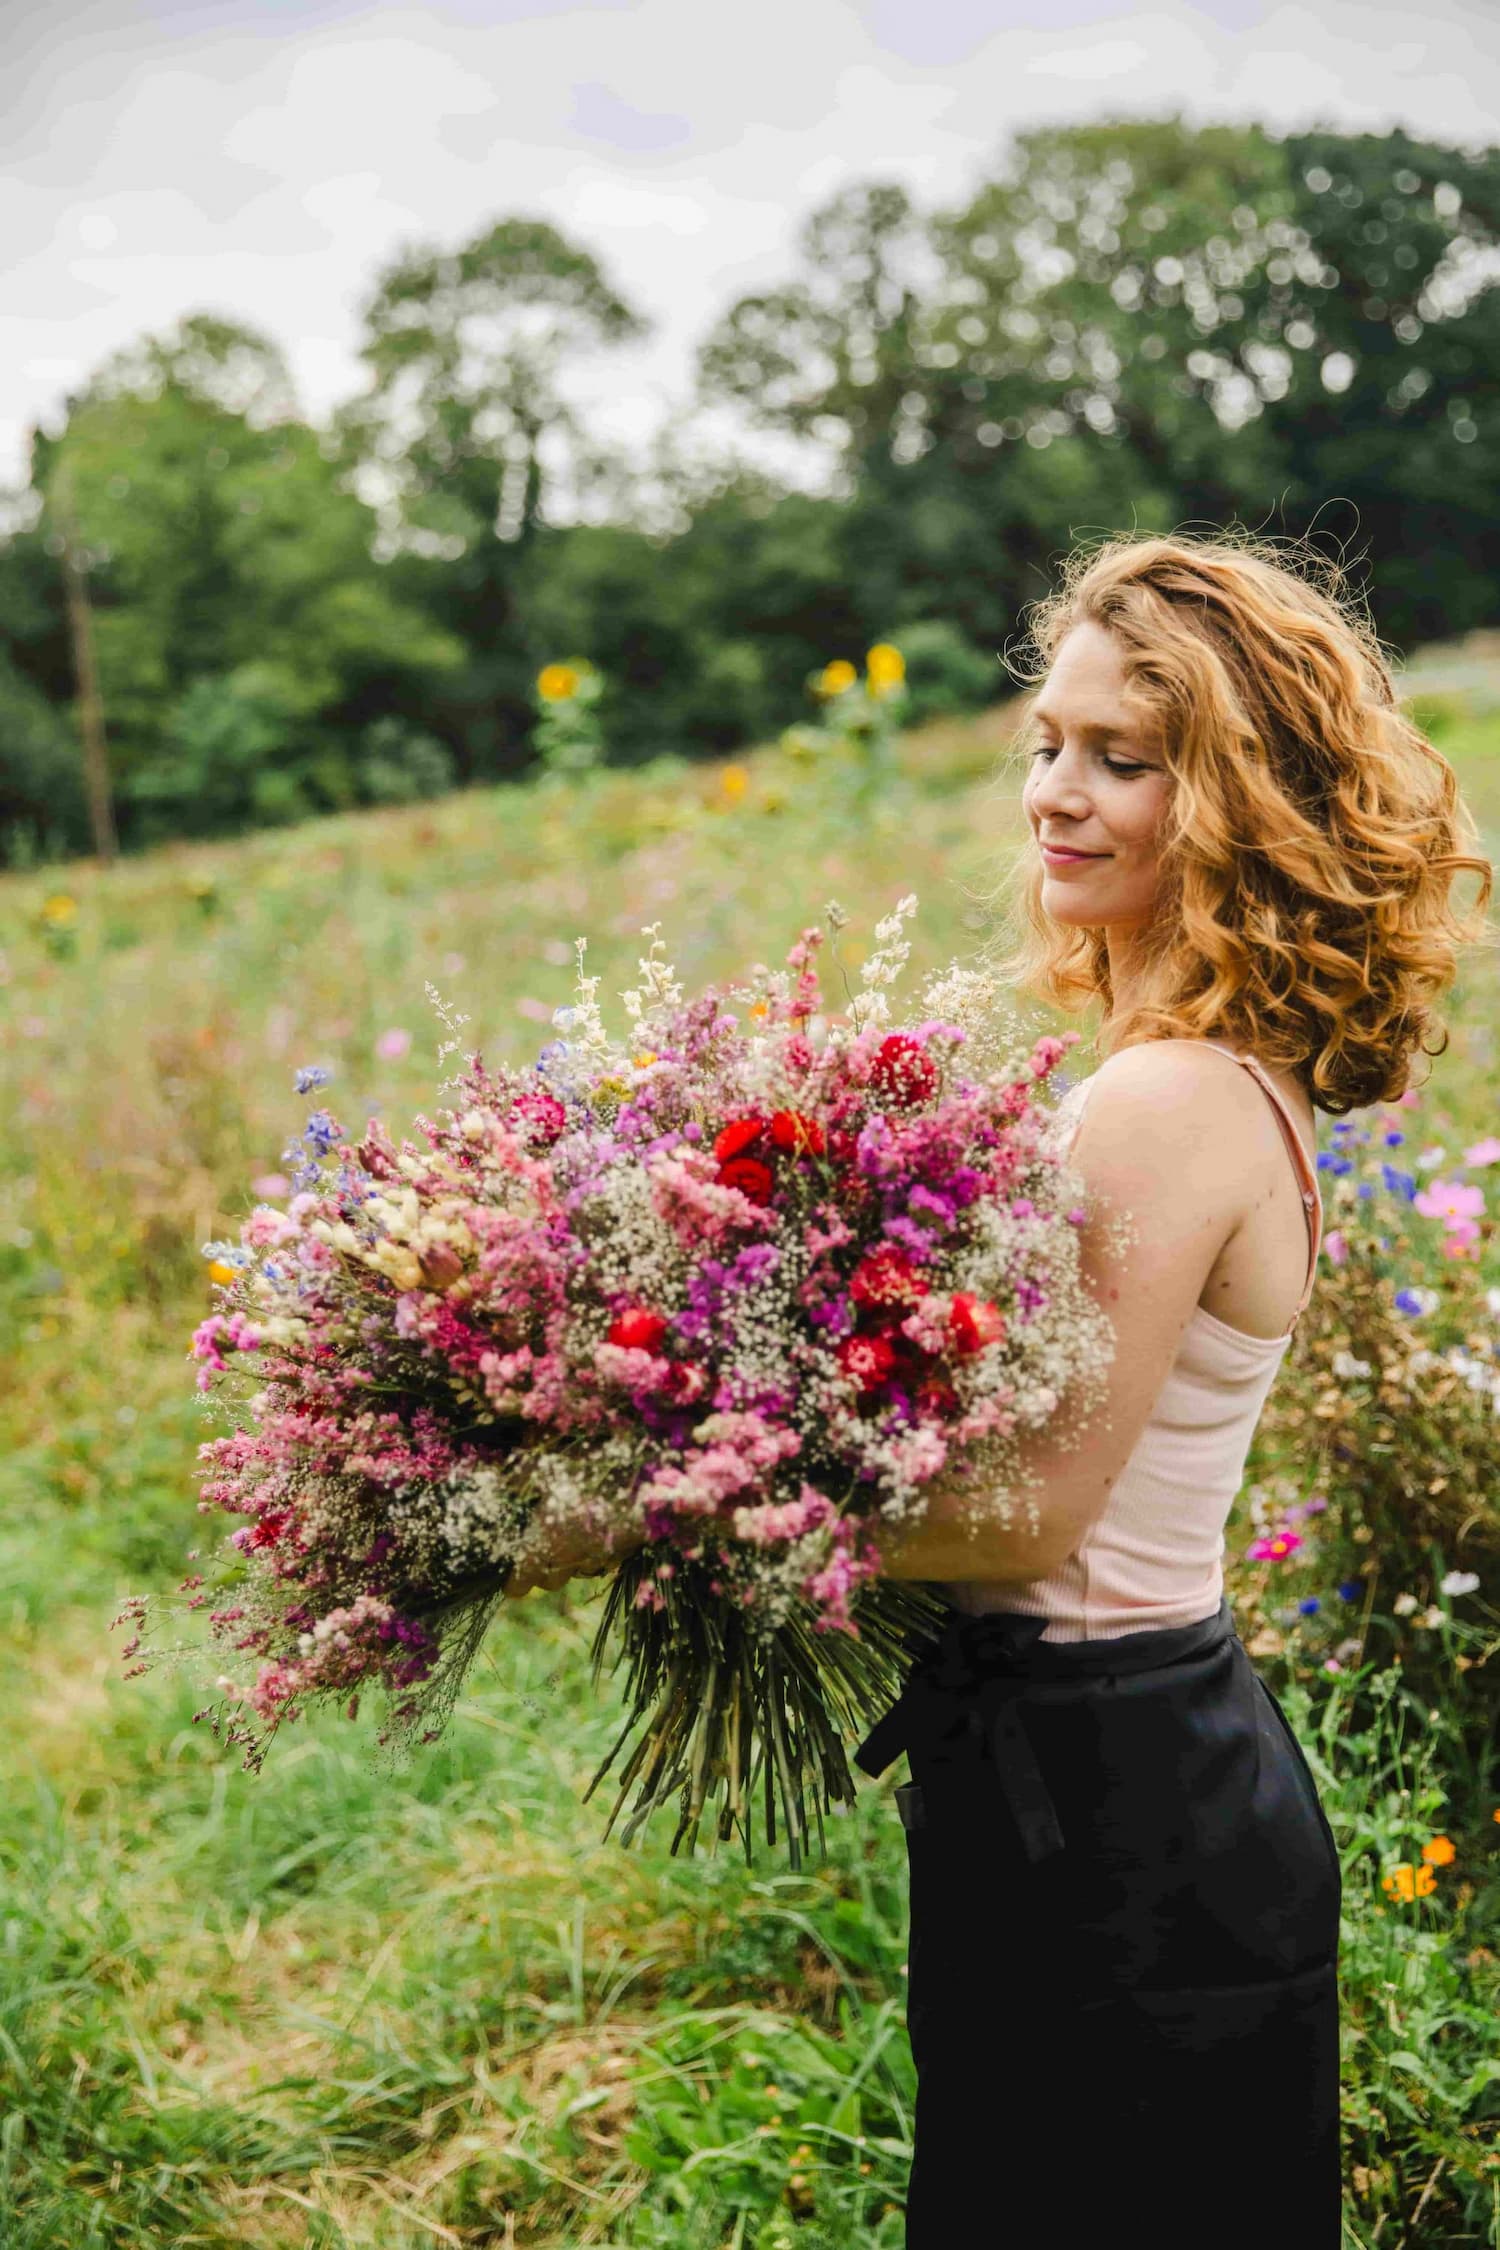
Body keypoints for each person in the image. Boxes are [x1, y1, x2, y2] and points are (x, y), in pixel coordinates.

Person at [856, 529, 1491, 2246]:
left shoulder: (1165, 1104)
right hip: (1139, 1763)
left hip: (1110, 1804)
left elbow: (1030, 1509)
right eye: (1049, 743)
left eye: (1121, 759)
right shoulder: (1227, 1082)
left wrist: (671, 1500)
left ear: (1232, 801)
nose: (1056, 793)